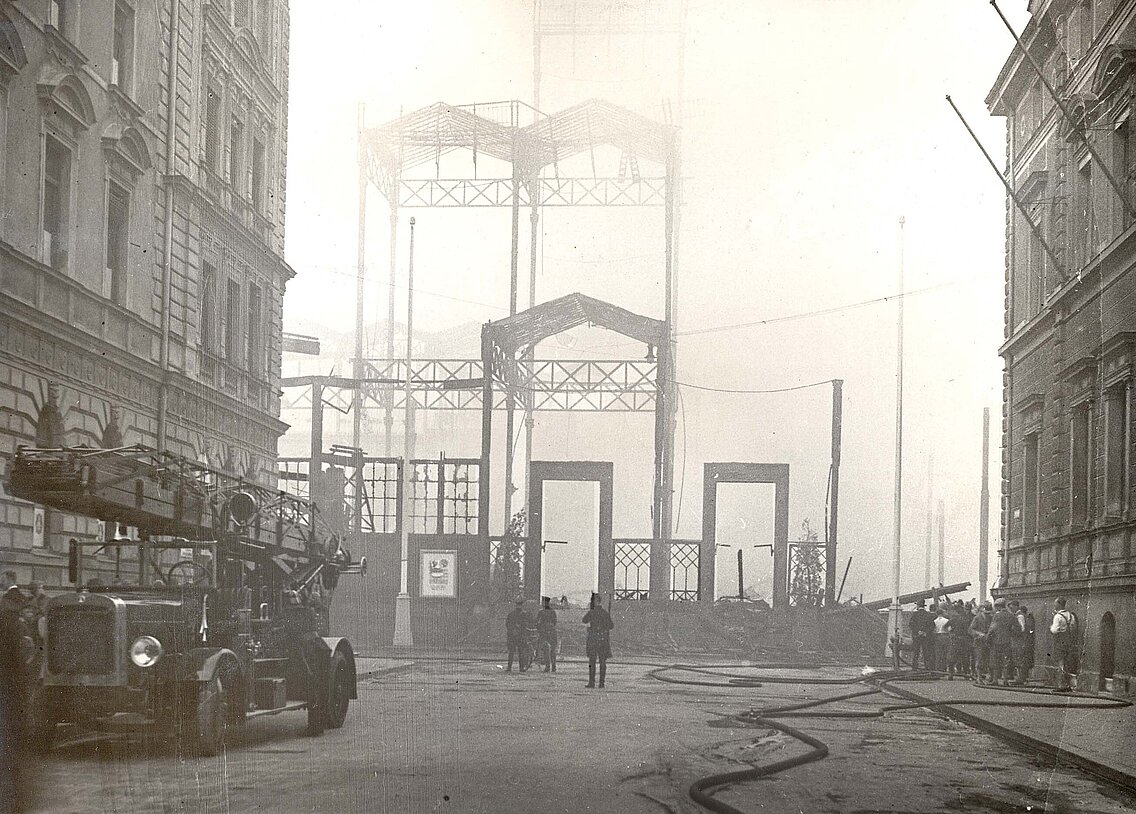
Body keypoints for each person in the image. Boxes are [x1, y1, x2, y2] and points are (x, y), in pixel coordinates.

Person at [582, 593, 614, 689]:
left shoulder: (592, 612)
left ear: (595, 601)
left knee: (592, 662)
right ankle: (601, 683)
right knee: (602, 662)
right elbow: (611, 626)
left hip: (593, 639)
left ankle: (591, 683)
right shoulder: (605, 613)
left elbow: (584, 620)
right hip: (603, 640)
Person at [1050, 597, 1078, 693]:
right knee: (1067, 663)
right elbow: (1073, 628)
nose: (1054, 605)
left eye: (1055, 603)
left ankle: (1061, 684)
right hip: (1068, 641)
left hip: (1059, 641)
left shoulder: (1057, 616)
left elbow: (1054, 630)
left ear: (1059, 604)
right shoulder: (1070, 615)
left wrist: (1051, 627)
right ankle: (1068, 685)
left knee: (1060, 662)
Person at [987, 598, 1016, 686]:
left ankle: (995, 680)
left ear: (998, 606)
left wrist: (988, 638)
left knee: (995, 661)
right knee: (1005, 661)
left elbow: (992, 628)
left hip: (996, 641)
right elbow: (1016, 628)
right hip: (1007, 641)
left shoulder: (997, 616)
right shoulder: (1011, 615)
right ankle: (1005, 680)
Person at [969, 603, 992, 684]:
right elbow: (971, 629)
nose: (988, 614)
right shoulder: (977, 618)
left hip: (988, 641)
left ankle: (989, 676)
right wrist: (979, 634)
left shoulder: (991, 617)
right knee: (979, 659)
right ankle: (979, 677)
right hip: (979, 641)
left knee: (989, 660)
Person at [908, 601, 934, 672]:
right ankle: (927, 668)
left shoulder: (915, 614)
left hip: (916, 636)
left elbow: (911, 625)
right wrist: (925, 632)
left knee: (916, 652)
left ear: (918, 606)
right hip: (925, 636)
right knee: (926, 652)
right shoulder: (928, 615)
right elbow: (932, 626)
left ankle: (914, 668)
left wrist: (918, 631)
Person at [505, 599, 529, 673]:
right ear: (521, 605)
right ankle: (521, 668)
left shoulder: (511, 614)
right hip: (521, 636)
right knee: (521, 652)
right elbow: (525, 625)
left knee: (511, 652)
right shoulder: (524, 614)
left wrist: (512, 630)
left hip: (512, 636)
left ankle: (509, 667)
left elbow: (507, 624)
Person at [536, 596, 558, 673]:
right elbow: (555, 622)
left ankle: (548, 667)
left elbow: (537, 622)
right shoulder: (552, 611)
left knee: (546, 650)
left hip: (544, 632)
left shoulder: (541, 612)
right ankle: (554, 667)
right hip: (552, 631)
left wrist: (539, 629)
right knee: (553, 650)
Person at [932, 605, 952, 677]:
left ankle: (938, 670)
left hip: (937, 637)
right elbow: (949, 629)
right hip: (945, 636)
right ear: (943, 613)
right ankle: (944, 669)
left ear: (937, 613)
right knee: (945, 653)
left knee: (938, 654)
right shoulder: (946, 620)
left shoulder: (935, 621)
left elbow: (934, 630)